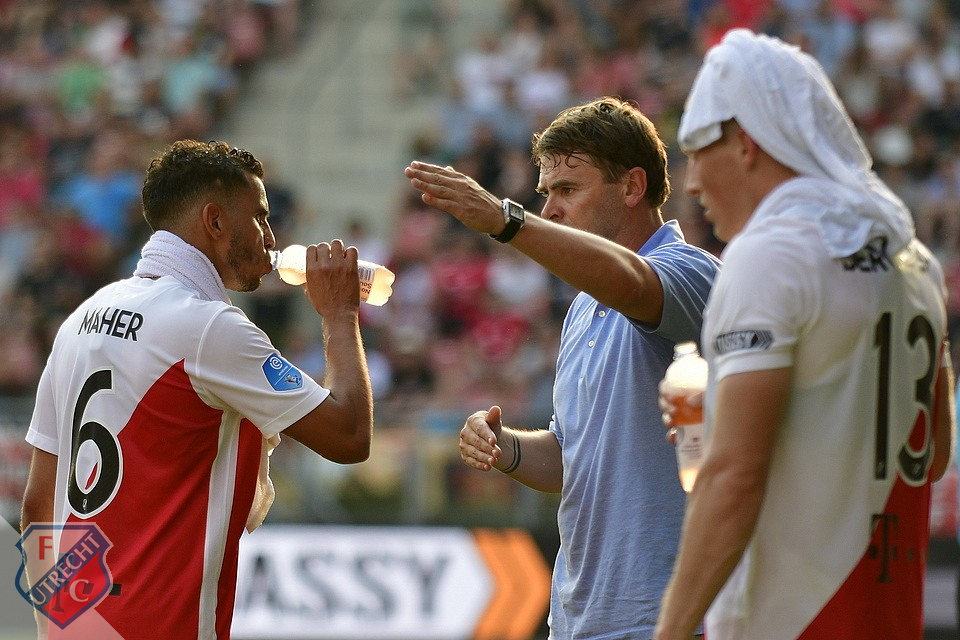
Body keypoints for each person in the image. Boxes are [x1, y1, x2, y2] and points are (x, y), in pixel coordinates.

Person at [654, 29, 955, 640]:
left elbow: (734, 478)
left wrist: (669, 632)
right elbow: (933, 455)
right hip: (889, 618)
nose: (691, 183)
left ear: (746, 142)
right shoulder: (915, 261)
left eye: (696, 151)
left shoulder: (771, 254)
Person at [19, 140, 374, 639]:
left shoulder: (80, 320)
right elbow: (350, 434)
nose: (271, 237)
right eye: (261, 217)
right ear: (215, 221)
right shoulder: (209, 328)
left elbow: (36, 507)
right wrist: (340, 313)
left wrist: (57, 628)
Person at [405, 96, 721, 639]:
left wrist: (505, 221)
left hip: (671, 618)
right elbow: (571, 459)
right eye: (545, 193)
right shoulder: (582, 307)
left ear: (632, 186)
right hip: (580, 619)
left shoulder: (692, 273)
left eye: (568, 190)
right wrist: (506, 447)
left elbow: (636, 285)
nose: (549, 209)